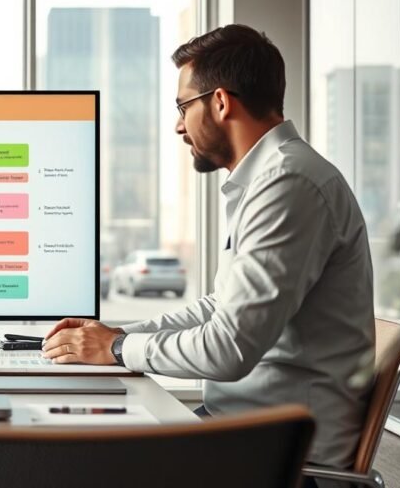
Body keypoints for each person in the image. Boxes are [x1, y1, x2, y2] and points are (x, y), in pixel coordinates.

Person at [43, 24, 375, 471]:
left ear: (220, 102)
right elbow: (220, 307)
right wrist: (113, 337)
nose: (179, 125)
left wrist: (117, 348)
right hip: (244, 431)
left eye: (183, 106)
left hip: (281, 457)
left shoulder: (289, 183)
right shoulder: (269, 179)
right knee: (88, 445)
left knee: (78, 464)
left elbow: (229, 349)